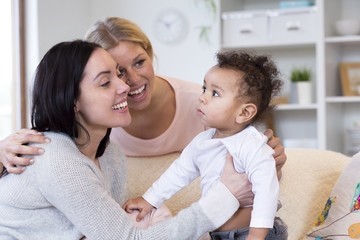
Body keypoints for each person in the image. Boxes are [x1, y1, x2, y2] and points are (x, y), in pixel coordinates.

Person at [0, 40, 248, 239]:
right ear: (72, 101)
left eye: (117, 75)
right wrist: (224, 197)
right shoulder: (56, 159)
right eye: (106, 82)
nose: (124, 87)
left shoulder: (111, 155)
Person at [0, 17, 286, 175]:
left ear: (150, 54)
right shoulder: (94, 116)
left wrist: (270, 159)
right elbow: (51, 142)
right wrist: (4, 149)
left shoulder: (198, 104)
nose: (132, 82)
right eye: (116, 72)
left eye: (139, 62)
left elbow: (251, 171)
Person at [124, 50, 288, 239]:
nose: (203, 97)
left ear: (244, 113)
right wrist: (150, 200)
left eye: (215, 93)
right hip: (215, 234)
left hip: (251, 233)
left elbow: (266, 192)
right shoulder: (202, 141)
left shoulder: (252, 145)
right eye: (204, 89)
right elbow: (179, 172)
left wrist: (256, 236)